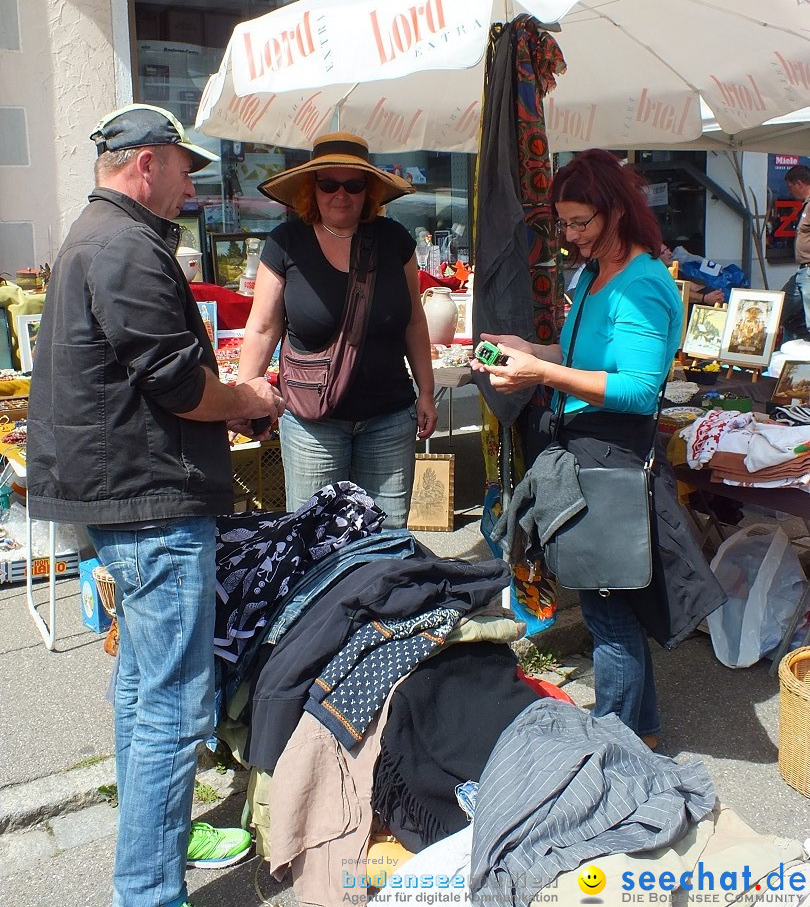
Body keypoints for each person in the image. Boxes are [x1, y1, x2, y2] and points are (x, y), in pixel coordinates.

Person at [26, 104, 285, 907]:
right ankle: (147, 888)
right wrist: (243, 393)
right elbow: (173, 382)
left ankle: (156, 841)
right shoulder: (126, 244)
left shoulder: (100, 237)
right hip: (149, 502)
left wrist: (229, 401)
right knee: (175, 706)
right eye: (185, 168)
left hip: (122, 493)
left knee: (143, 689)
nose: (192, 186)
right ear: (147, 163)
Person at [472, 149, 724, 747]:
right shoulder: (590, 276)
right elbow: (581, 361)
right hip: (581, 450)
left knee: (610, 615)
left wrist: (540, 374)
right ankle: (647, 734)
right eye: (563, 223)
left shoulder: (644, 283)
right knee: (614, 607)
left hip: (612, 457)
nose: (570, 235)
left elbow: (638, 390)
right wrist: (529, 351)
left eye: (581, 221)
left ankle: (613, 747)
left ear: (616, 212)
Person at [235, 132, 438, 527]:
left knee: (385, 540)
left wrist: (427, 391)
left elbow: (414, 319)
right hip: (313, 423)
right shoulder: (285, 243)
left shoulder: (394, 239)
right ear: (312, 189)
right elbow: (261, 328)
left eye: (353, 184)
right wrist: (248, 393)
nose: (340, 194)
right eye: (328, 183)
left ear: (369, 190)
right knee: (315, 543)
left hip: (391, 417)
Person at [785, 163, 810, 331]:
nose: (789, 192)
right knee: (781, 307)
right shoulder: (806, 205)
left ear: (799, 184)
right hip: (803, 270)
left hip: (809, 270)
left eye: (790, 187)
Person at [659, 243, 725, 306]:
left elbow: (692, 286)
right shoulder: (658, 275)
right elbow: (678, 292)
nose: (670, 253)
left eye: (667, 249)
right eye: (663, 253)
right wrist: (704, 298)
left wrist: (715, 293)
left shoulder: (672, 269)